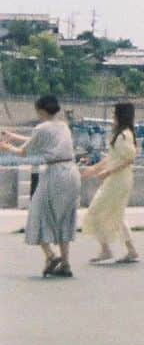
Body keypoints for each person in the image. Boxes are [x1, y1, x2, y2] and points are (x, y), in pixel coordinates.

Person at [1, 94, 80, 277]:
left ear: (41, 110)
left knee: (38, 212)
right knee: (64, 216)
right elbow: (40, 141)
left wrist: (6, 147)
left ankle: (50, 255)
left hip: (55, 173)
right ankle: (65, 262)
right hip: (71, 172)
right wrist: (14, 136)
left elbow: (24, 151)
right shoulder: (63, 126)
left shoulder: (41, 128)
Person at [81, 102, 139, 264]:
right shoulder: (122, 135)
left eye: (115, 113)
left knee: (96, 210)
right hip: (118, 179)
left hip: (119, 179)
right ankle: (129, 250)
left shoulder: (123, 135)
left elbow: (130, 158)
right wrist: (95, 169)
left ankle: (106, 249)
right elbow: (112, 157)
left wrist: (108, 171)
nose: (113, 116)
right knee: (115, 213)